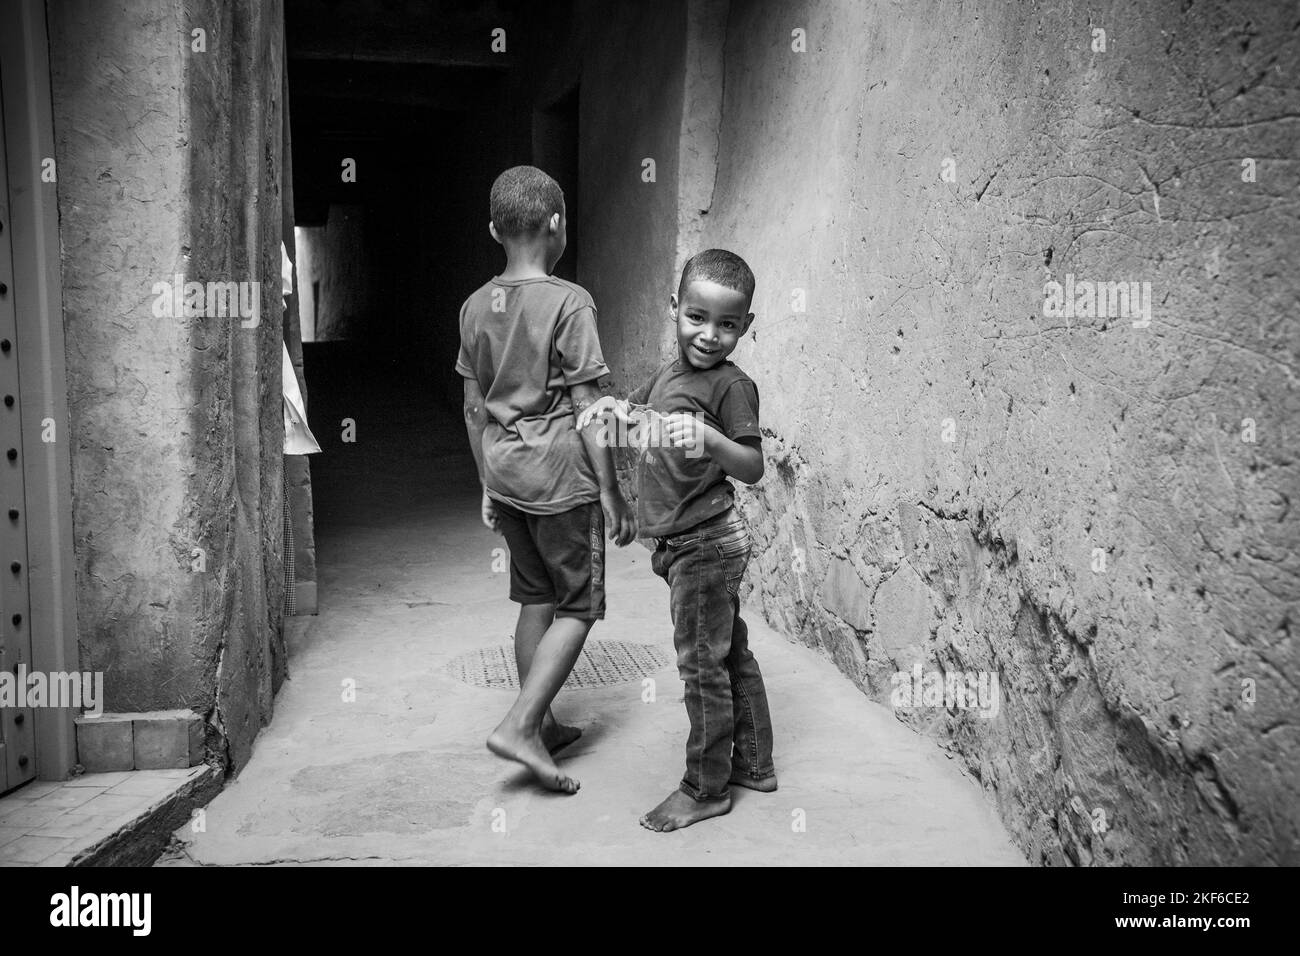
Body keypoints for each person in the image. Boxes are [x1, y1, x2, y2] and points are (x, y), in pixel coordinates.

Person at [578, 248, 776, 830]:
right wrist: (608, 416)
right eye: (697, 317)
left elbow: (753, 466)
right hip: (686, 544)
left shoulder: (732, 388)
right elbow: (632, 417)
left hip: (707, 544)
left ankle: (705, 787)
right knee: (727, 652)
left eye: (728, 325)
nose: (710, 335)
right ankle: (755, 764)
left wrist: (711, 441)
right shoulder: (670, 374)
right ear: (674, 309)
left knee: (700, 666)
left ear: (745, 326)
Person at [457, 165, 635, 794]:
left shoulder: (477, 305)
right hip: (561, 479)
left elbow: (476, 407)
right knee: (580, 607)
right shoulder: (570, 301)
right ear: (557, 224)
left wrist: (485, 480)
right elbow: (590, 408)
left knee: (537, 598)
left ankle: (546, 723)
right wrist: (611, 491)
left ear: (492, 229)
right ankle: (522, 724)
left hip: (506, 475)